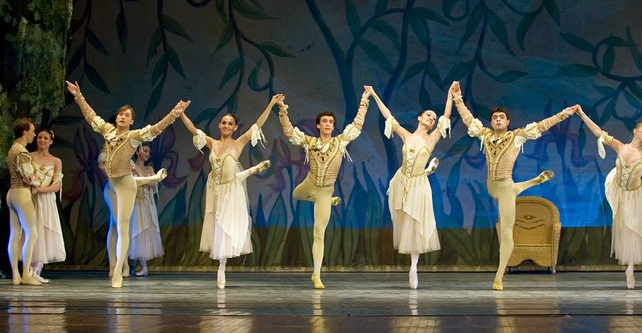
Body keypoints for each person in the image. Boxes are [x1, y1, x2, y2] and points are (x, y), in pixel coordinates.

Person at [65, 80, 188, 287]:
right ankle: (115, 266)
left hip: (126, 184)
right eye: (120, 114)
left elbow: (157, 129)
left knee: (122, 227)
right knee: (116, 225)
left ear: (132, 121)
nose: (122, 116)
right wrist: (78, 96)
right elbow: (91, 116)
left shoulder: (134, 136)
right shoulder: (107, 130)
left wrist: (174, 113)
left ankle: (119, 271)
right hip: (111, 185)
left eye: (127, 115)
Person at [452, 89, 578, 290]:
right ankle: (534, 181)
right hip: (491, 186)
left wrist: (564, 114)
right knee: (509, 194)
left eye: (502, 117)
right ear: (492, 122)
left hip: (505, 188)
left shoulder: (517, 136)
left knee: (506, 232)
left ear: (508, 121)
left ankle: (499, 276)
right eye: (495, 118)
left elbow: (542, 125)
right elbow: (468, 119)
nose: (498, 120)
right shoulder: (484, 135)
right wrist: (457, 98)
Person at [578, 97, 642, 288]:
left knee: (633, 230)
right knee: (624, 229)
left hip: (636, 194)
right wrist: (581, 113)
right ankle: (629, 268)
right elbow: (598, 132)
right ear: (635, 131)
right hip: (619, 190)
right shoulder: (621, 147)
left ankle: (630, 269)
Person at [277, 89, 371, 289]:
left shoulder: (340, 142)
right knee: (295, 194)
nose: (328, 124)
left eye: (331, 122)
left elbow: (357, 126)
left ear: (333, 126)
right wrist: (282, 110)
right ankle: (324, 200)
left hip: (325, 191)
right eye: (325, 122)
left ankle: (316, 274)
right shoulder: (309, 142)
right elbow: (290, 132)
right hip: (309, 184)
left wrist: (363, 101)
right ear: (318, 125)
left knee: (319, 233)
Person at [179, 97, 276, 289]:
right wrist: (180, 113)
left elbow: (257, 125)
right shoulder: (212, 143)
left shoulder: (238, 144)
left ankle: (222, 268)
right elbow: (193, 129)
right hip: (214, 189)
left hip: (231, 190)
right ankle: (220, 265)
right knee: (215, 224)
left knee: (225, 226)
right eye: (223, 123)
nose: (226, 126)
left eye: (230, 124)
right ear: (219, 125)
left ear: (235, 127)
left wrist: (271, 104)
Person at [368, 82, 455, 289]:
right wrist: (373, 94)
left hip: (419, 183)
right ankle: (412, 265)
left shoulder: (432, 138)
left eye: (433, 118)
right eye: (428, 115)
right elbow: (388, 116)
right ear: (419, 117)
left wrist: (450, 93)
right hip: (402, 181)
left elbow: (446, 116)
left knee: (416, 223)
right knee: (405, 221)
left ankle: (414, 266)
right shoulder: (406, 135)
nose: (432, 119)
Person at [6, 118, 42, 285]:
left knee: (15, 234)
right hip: (21, 193)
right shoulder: (21, 151)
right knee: (32, 233)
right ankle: (26, 275)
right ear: (24, 132)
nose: (34, 135)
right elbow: (27, 177)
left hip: (12, 194)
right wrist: (38, 182)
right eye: (32, 131)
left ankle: (15, 275)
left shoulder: (13, 149)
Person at [28, 129, 65, 284]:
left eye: (45, 138)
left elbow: (56, 186)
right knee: (31, 231)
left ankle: (37, 270)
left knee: (44, 233)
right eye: (40, 137)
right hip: (31, 198)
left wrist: (40, 190)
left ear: (50, 141)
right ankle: (27, 271)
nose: (42, 140)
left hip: (46, 200)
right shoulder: (29, 157)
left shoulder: (56, 161)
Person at [127, 144, 166, 277]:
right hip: (137, 203)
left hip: (148, 203)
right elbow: (131, 183)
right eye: (145, 151)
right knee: (137, 232)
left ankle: (143, 267)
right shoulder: (131, 168)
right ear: (138, 151)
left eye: (149, 151)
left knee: (146, 233)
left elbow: (154, 184)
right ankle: (133, 265)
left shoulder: (149, 168)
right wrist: (148, 180)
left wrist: (143, 180)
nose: (147, 153)